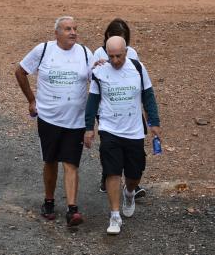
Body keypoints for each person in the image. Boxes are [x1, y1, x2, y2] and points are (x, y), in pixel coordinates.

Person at [15, 16, 93, 227]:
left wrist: (92, 120)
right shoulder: (43, 50)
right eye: (68, 29)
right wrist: (31, 100)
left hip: (76, 120)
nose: (73, 33)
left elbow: (96, 83)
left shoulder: (86, 53)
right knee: (50, 161)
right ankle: (48, 201)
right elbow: (20, 72)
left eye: (75, 29)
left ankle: (72, 209)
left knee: (71, 163)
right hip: (49, 118)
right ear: (56, 32)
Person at [84, 36, 162, 235]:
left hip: (134, 131)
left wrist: (154, 122)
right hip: (110, 129)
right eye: (111, 56)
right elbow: (92, 100)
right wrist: (89, 127)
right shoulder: (100, 71)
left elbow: (148, 95)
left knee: (134, 173)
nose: (115, 60)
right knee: (112, 171)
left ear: (126, 52)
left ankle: (129, 193)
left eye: (119, 56)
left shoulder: (137, 68)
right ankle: (115, 215)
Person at [93, 18, 146, 199]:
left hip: (130, 107)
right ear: (107, 36)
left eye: (124, 38)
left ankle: (131, 184)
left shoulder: (132, 53)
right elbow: (91, 79)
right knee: (110, 145)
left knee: (132, 147)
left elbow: (138, 78)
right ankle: (108, 175)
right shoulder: (99, 53)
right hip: (108, 108)